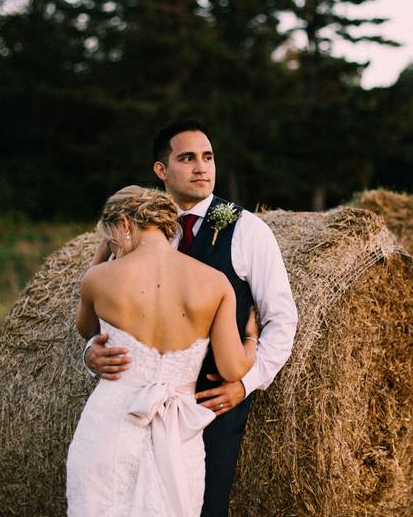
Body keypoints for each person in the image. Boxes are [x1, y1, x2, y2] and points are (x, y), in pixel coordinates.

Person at [84, 119, 298, 516]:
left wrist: (246, 384)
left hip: (210, 407)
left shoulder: (248, 231)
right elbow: (103, 307)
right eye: (187, 158)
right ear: (161, 171)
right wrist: (89, 354)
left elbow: (282, 320)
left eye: (208, 157)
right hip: (131, 409)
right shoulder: (132, 231)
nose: (202, 168)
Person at [66, 185, 260, 517]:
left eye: (111, 236)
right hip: (178, 436)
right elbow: (232, 370)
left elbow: (88, 331)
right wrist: (252, 339)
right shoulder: (214, 283)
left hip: (110, 425)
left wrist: (103, 253)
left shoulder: (97, 279)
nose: (113, 245)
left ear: (125, 224)